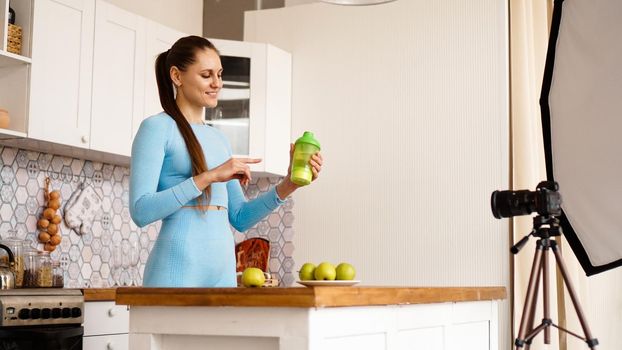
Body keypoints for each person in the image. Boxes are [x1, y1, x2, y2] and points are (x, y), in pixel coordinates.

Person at [129, 36, 322, 287]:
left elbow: (240, 217)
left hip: (223, 272)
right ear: (177, 76)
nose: (217, 83)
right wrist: (208, 176)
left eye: (219, 75)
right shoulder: (157, 128)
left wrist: (289, 185)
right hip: (175, 272)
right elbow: (141, 211)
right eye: (206, 75)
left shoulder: (219, 138)